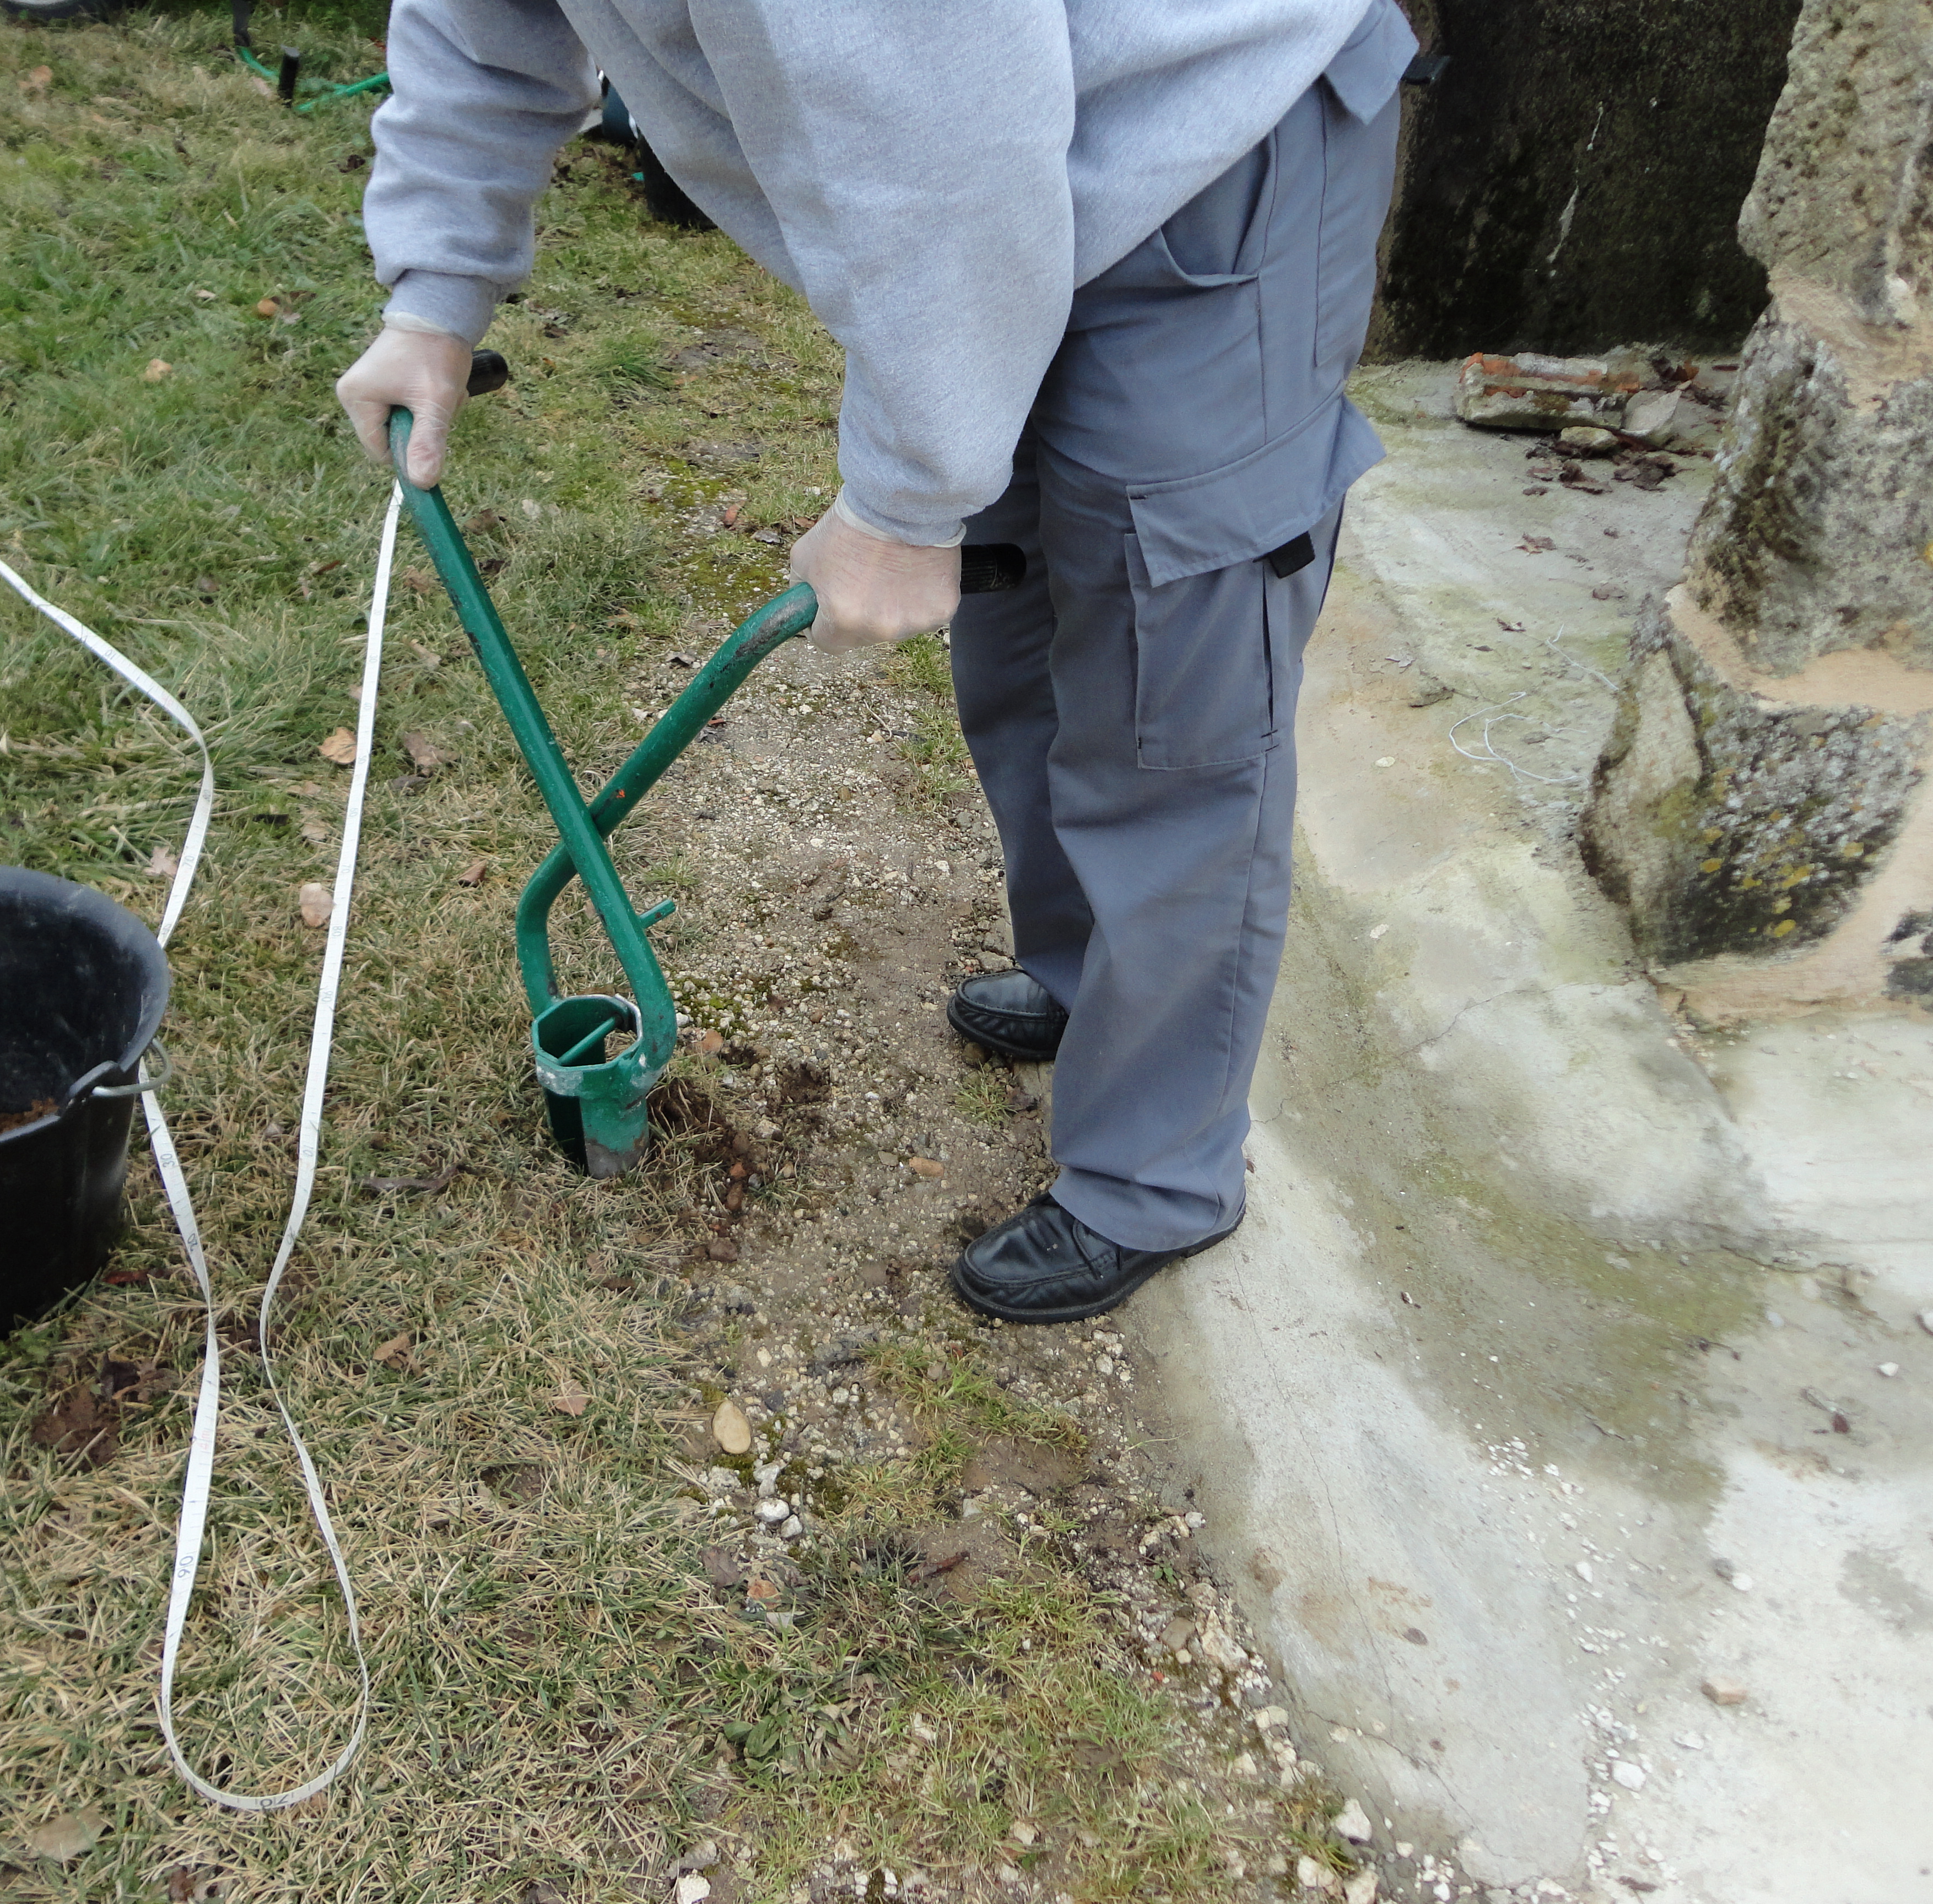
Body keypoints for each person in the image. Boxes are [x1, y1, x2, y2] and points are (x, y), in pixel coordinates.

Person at [337, 0, 1417, 1323]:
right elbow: (478, 12)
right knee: (1017, 621)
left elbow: (944, 123)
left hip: (1210, 144)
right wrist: (436, 286)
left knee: (1169, 696)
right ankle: (1091, 988)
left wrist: (908, 499)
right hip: (1000, 140)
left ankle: (1157, 1172)